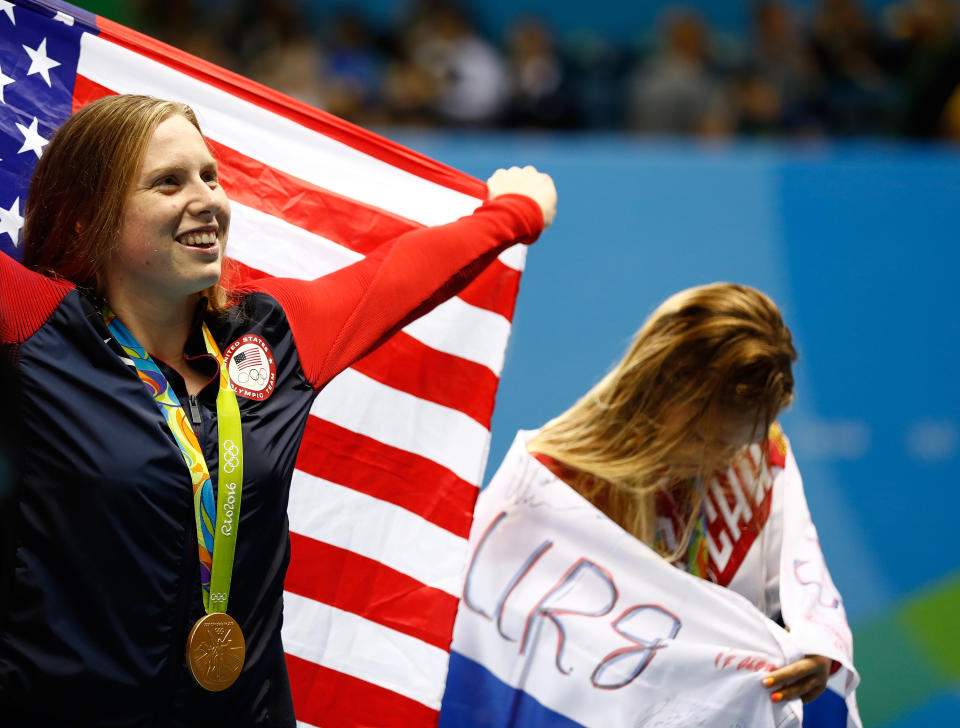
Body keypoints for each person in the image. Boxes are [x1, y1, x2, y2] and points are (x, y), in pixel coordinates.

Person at [0, 94, 556, 726]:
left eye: (210, 175)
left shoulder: (270, 338)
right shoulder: (35, 329)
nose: (206, 199)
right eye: (167, 182)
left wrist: (514, 212)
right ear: (83, 219)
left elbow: (397, 276)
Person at [442, 283, 859, 726]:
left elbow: (799, 587)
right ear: (659, 387)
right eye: (705, 440)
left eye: (741, 442)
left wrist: (816, 649)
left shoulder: (757, 456)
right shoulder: (552, 488)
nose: (723, 460)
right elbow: (483, 638)